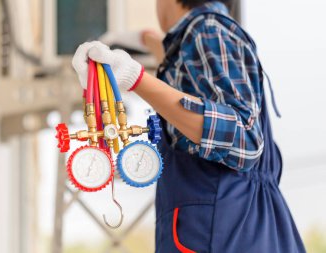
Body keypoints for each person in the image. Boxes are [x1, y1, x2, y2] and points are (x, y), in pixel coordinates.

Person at [72, 0, 306, 252]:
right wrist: (145, 40)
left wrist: (135, 78)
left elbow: (244, 139)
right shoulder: (202, 37)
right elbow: (184, 86)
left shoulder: (208, 30)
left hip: (221, 235)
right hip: (236, 231)